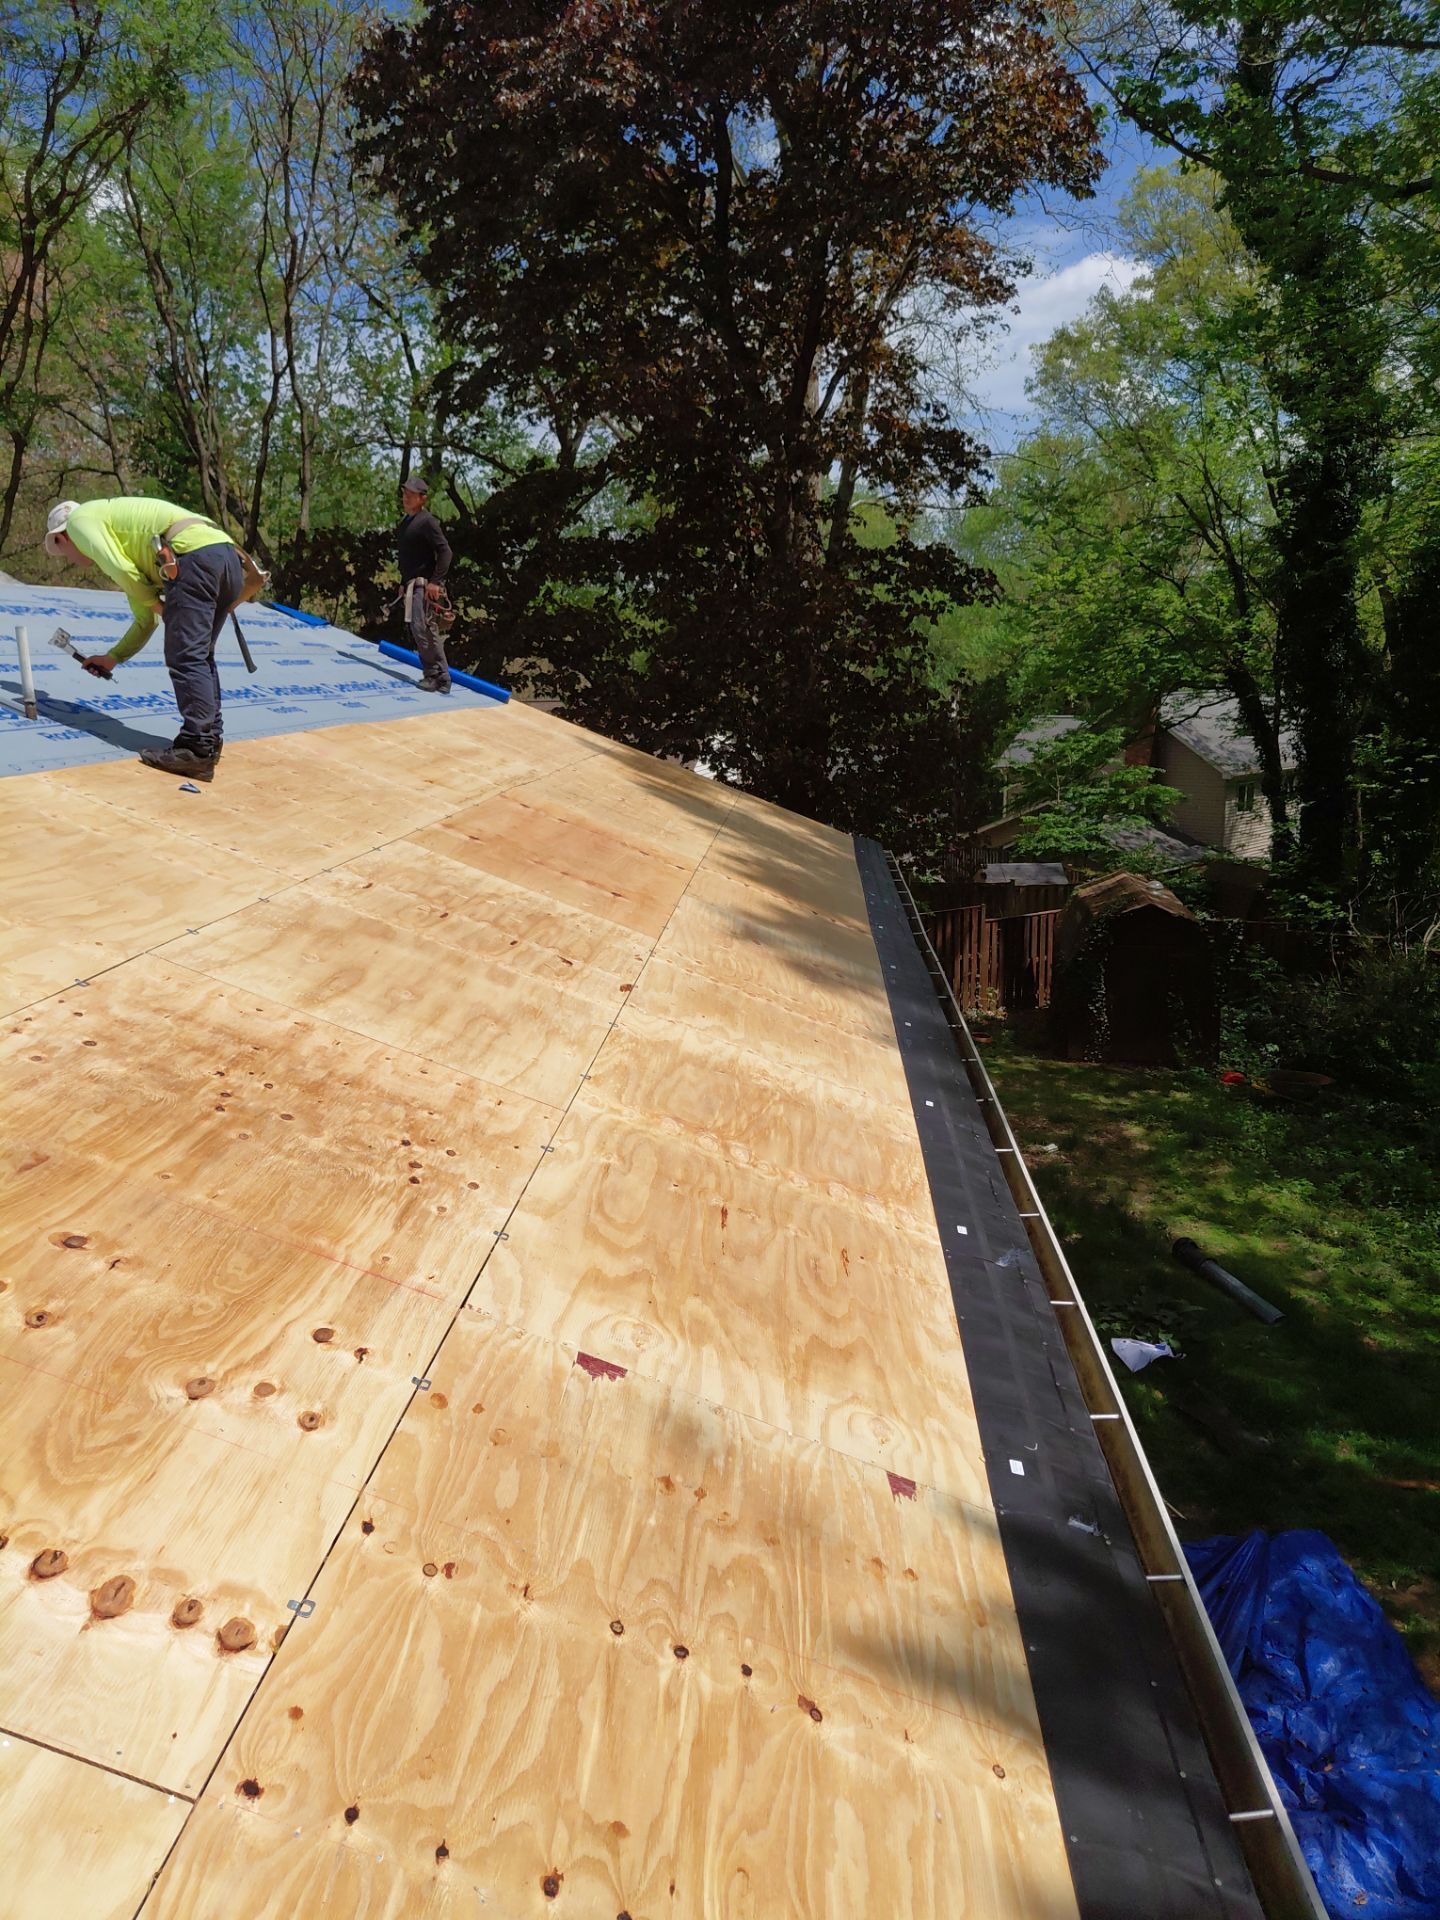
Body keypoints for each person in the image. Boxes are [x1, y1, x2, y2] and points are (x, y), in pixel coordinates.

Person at [45, 496, 244, 782]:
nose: (72, 561)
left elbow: (123, 572)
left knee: (186, 656)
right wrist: (113, 657)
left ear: (63, 537)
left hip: (194, 556)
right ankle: (209, 740)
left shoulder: (80, 522)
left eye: (64, 553)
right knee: (199, 656)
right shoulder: (129, 548)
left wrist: (159, 606)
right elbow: (146, 618)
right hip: (225, 558)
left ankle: (197, 749)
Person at [396, 474, 453, 693]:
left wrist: (436, 582)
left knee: (425, 631)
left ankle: (438, 676)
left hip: (424, 586)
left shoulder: (427, 521)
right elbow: (408, 557)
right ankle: (438, 676)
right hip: (412, 585)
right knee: (420, 630)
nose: (406, 498)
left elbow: (445, 551)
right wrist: (403, 582)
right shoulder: (406, 523)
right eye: (405, 494)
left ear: (422, 499)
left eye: (411, 495)